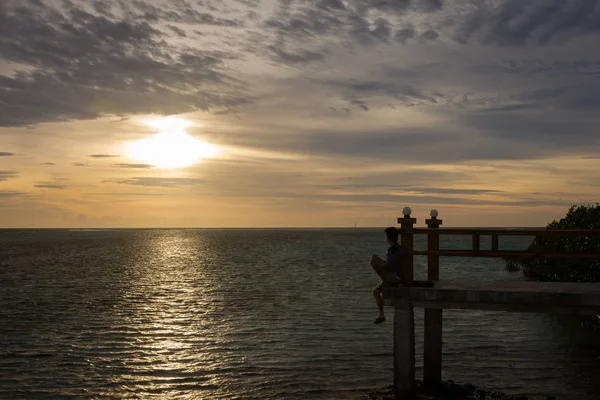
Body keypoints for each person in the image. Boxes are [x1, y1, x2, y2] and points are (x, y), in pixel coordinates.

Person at [370, 227, 403, 324]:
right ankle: (381, 314)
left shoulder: (393, 250)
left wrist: (379, 260)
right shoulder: (400, 248)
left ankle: (381, 314)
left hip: (395, 278)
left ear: (388, 238)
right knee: (375, 291)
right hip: (397, 276)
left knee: (373, 261)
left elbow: (388, 267)